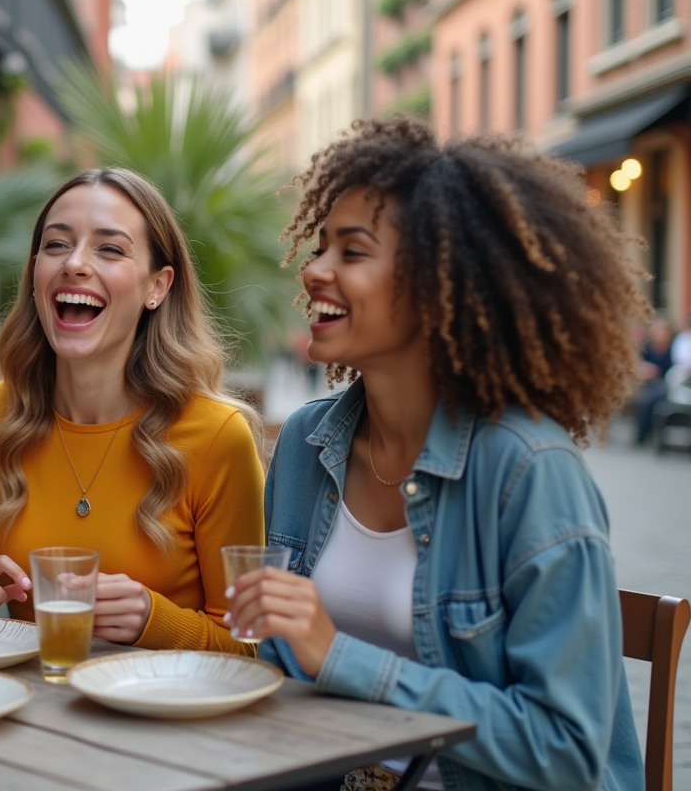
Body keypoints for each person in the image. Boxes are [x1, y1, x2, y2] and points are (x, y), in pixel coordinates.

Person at [226, 118, 646, 791]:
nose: (314, 271)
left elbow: (566, 749)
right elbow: (280, 666)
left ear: (437, 282)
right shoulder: (306, 445)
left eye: (352, 253)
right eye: (319, 247)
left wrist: (339, 656)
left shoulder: (528, 471)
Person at [0, 168, 265, 654]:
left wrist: (154, 621)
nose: (75, 264)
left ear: (158, 286)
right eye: (57, 244)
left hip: (168, 718)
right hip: (34, 710)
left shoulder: (218, 435)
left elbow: (249, 646)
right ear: (35, 269)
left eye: (110, 249)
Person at [635, 317, 674, 444]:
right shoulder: (648, 349)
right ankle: (643, 433)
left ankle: (645, 434)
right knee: (644, 400)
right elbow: (640, 363)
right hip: (648, 383)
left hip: (665, 383)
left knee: (649, 400)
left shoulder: (671, 350)